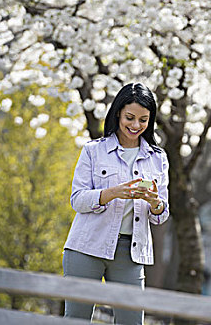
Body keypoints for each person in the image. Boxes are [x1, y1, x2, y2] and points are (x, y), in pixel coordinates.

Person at [62, 82, 170, 324]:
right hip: (86, 247)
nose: (135, 125)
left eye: (143, 120)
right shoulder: (93, 150)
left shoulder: (158, 158)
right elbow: (77, 200)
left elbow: (161, 215)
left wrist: (155, 203)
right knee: (75, 320)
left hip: (131, 253)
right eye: (130, 117)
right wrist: (112, 193)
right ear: (118, 113)